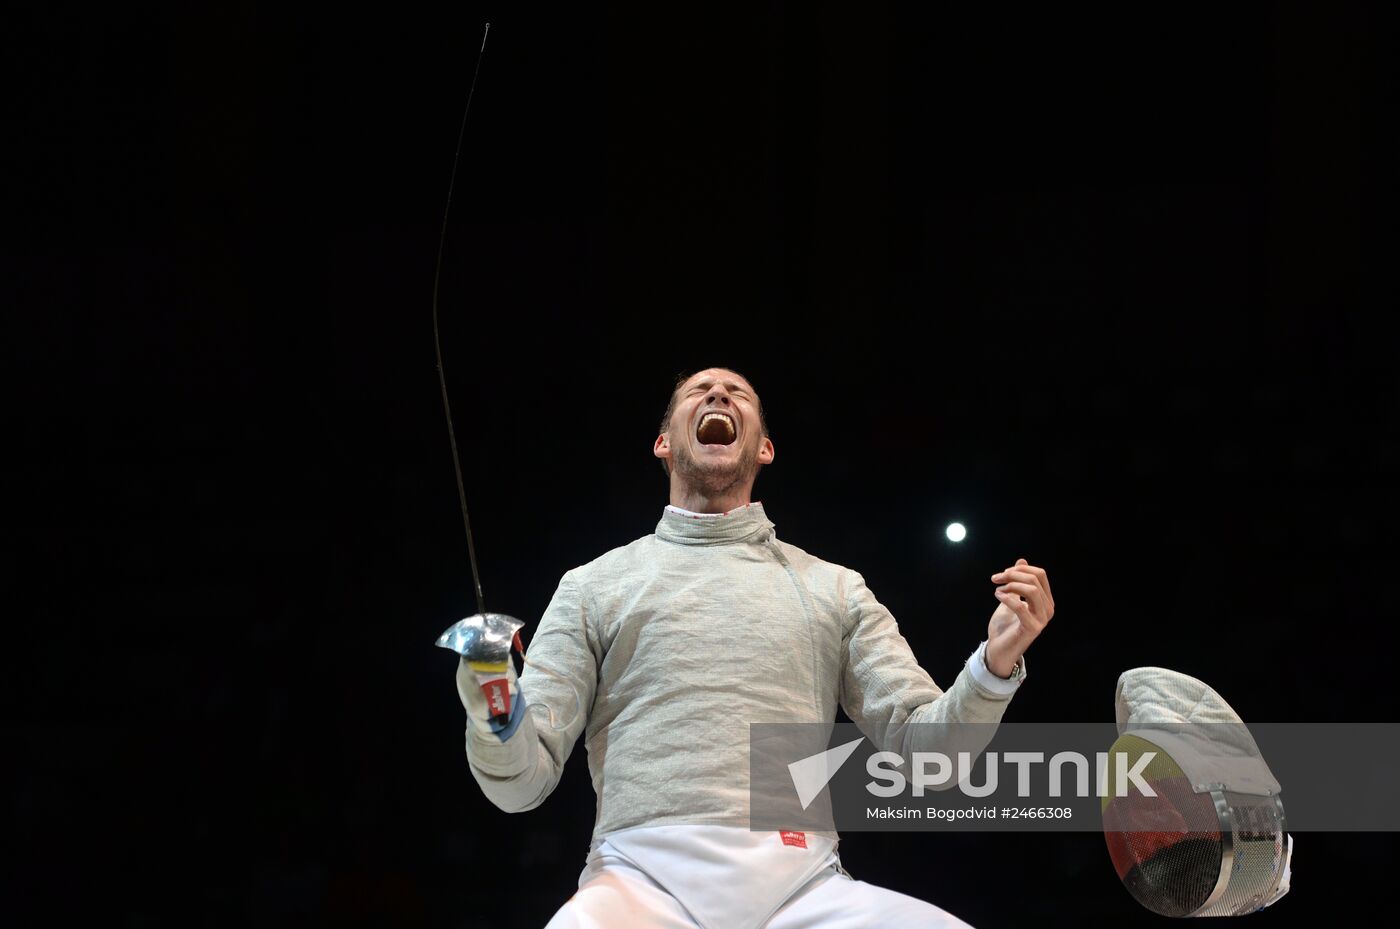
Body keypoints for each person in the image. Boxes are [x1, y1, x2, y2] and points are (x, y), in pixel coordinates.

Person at [456, 367, 1056, 929]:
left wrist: (992, 666)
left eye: (737, 393)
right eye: (700, 390)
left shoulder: (834, 589)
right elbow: (521, 783)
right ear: (664, 442)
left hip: (800, 885)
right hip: (637, 881)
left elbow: (930, 754)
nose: (718, 395)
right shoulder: (592, 586)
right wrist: (495, 711)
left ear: (763, 448)